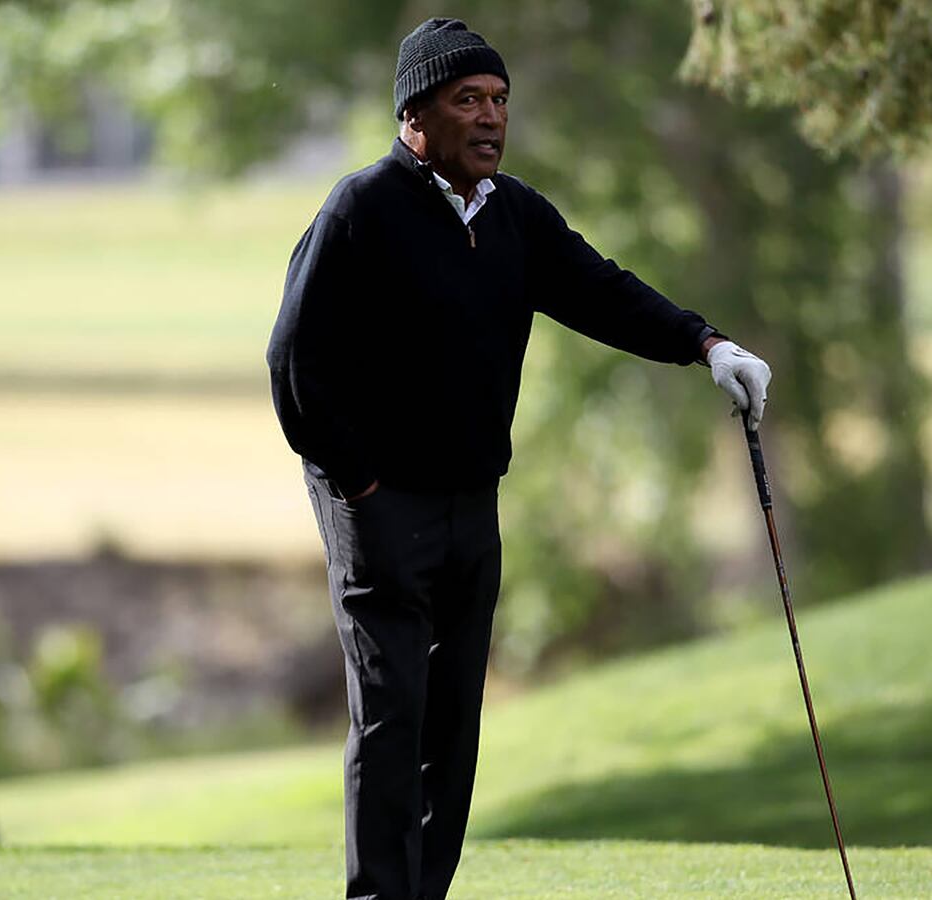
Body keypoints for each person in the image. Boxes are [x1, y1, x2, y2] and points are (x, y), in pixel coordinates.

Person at [265, 17, 771, 900]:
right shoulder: (362, 208)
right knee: (392, 720)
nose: (491, 117)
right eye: (468, 100)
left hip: (471, 501)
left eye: (499, 100)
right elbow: (294, 363)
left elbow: (602, 290)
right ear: (415, 116)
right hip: (379, 506)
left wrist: (705, 344)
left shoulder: (514, 215)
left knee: (453, 727)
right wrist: (361, 485)